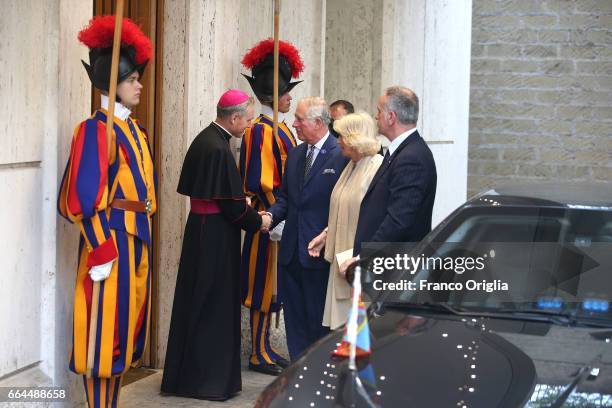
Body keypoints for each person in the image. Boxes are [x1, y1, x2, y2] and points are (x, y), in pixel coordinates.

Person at [57, 16, 156, 408]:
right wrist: (100, 250)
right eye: (132, 79)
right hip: (111, 243)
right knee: (102, 335)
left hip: (137, 237)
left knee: (125, 333)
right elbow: (83, 198)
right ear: (112, 82)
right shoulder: (96, 130)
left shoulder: (133, 130)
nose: (139, 85)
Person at [161, 90, 271, 401]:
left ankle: (185, 379)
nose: (249, 125)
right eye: (247, 120)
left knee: (196, 301)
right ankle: (207, 382)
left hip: (202, 230)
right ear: (234, 118)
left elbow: (219, 196)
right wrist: (258, 221)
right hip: (216, 238)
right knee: (213, 306)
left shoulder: (205, 139)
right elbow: (233, 208)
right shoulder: (219, 150)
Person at [266, 97, 349, 360]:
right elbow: (285, 200)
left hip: (319, 256)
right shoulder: (296, 154)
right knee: (295, 323)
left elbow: (343, 208)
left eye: (300, 119)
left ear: (317, 122)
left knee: (318, 325)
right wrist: (268, 216)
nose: (294, 123)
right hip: (290, 254)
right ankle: (297, 375)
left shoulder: (341, 155)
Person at [239, 39, 303, 375]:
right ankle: (257, 352)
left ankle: (265, 346)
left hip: (280, 220)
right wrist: (274, 215)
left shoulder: (279, 129)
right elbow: (262, 180)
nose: (290, 97)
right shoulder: (261, 131)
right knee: (262, 287)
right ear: (274, 95)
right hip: (267, 220)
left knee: (273, 288)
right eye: (287, 92)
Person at [345, 86, 437, 271]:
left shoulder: (412, 158)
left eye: (379, 111)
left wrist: (364, 258)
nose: (376, 116)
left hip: (395, 269)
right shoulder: (401, 152)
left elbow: (398, 220)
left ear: (391, 117)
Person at [307, 112, 383, 329]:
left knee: (358, 328)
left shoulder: (376, 166)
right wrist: (325, 235)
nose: (338, 141)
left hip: (358, 261)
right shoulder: (352, 165)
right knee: (342, 329)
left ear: (355, 138)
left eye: (341, 136)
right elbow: (342, 209)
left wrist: (359, 256)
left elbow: (373, 216)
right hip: (341, 259)